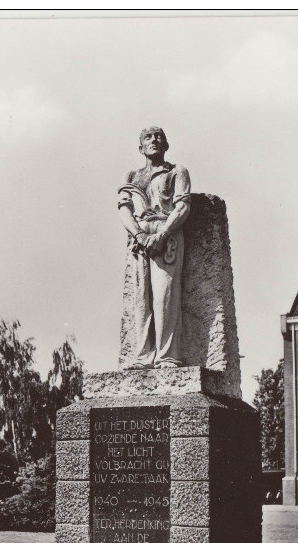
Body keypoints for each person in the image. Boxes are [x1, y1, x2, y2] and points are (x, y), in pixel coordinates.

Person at [118, 127, 191, 369]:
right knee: (140, 298)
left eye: (159, 136)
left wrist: (163, 234)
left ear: (166, 145)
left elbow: (182, 207)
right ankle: (142, 356)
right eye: (148, 137)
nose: (154, 140)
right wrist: (138, 233)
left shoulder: (177, 172)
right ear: (140, 147)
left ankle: (167, 355)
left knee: (165, 297)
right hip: (139, 237)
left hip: (166, 233)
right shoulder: (131, 176)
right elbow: (124, 208)